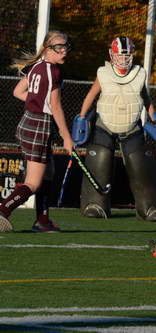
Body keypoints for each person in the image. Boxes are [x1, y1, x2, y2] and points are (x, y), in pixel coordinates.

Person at [76, 36, 156, 220]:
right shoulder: (103, 73)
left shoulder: (140, 73)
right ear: (112, 55)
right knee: (100, 159)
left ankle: (149, 207)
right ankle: (94, 204)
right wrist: (82, 117)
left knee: (139, 163)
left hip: (132, 125)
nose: (123, 60)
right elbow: (91, 95)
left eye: (126, 56)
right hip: (105, 124)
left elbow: (146, 99)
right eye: (119, 56)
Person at [0, 31, 73, 232]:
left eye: (66, 46)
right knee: (33, 182)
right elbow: (56, 106)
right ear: (47, 49)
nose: (64, 50)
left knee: (48, 172)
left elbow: (18, 92)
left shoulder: (37, 66)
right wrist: (67, 136)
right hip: (38, 126)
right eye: (59, 47)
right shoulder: (53, 71)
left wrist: (38, 103)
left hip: (27, 122)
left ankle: (42, 220)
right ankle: (3, 209)